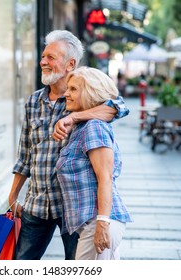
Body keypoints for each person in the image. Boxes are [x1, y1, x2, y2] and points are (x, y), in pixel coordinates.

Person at [8, 30, 129, 260]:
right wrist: (14, 194)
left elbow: (120, 107)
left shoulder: (83, 99)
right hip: (38, 202)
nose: (43, 61)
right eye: (43, 56)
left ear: (70, 64)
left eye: (51, 57)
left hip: (73, 208)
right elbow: (25, 155)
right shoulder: (34, 101)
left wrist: (74, 117)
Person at [56, 66, 133, 260]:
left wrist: (102, 223)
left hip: (98, 222)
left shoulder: (94, 128)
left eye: (73, 89)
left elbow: (105, 178)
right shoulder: (81, 127)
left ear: (90, 94)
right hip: (92, 224)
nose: (66, 93)